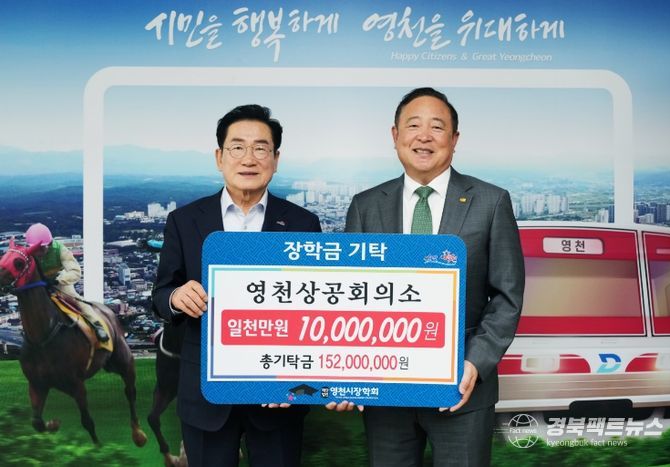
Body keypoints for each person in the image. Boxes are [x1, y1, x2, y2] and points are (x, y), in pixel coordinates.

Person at [338, 88, 525, 466]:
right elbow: (348, 296)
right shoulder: (366, 206)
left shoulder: (490, 202)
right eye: (413, 126)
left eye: (437, 127)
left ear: (454, 139)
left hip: (462, 389)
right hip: (385, 391)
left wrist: (475, 363)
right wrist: (343, 371)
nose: (424, 136)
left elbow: (507, 296)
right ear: (395, 136)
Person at [152, 104, 321, 467]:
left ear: (275, 159)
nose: (249, 158)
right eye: (237, 147)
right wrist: (177, 297)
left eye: (261, 148)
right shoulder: (184, 220)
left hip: (278, 393)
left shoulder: (303, 223)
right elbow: (161, 294)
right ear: (219, 157)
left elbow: (317, 308)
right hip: (205, 395)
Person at [25, 223, 109, 342]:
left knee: (74, 298)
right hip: (38, 284)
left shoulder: (60, 250)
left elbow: (75, 272)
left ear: (49, 244)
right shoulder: (27, 254)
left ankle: (97, 324)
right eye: (35, 249)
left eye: (41, 248)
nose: (38, 253)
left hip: (59, 282)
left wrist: (58, 280)